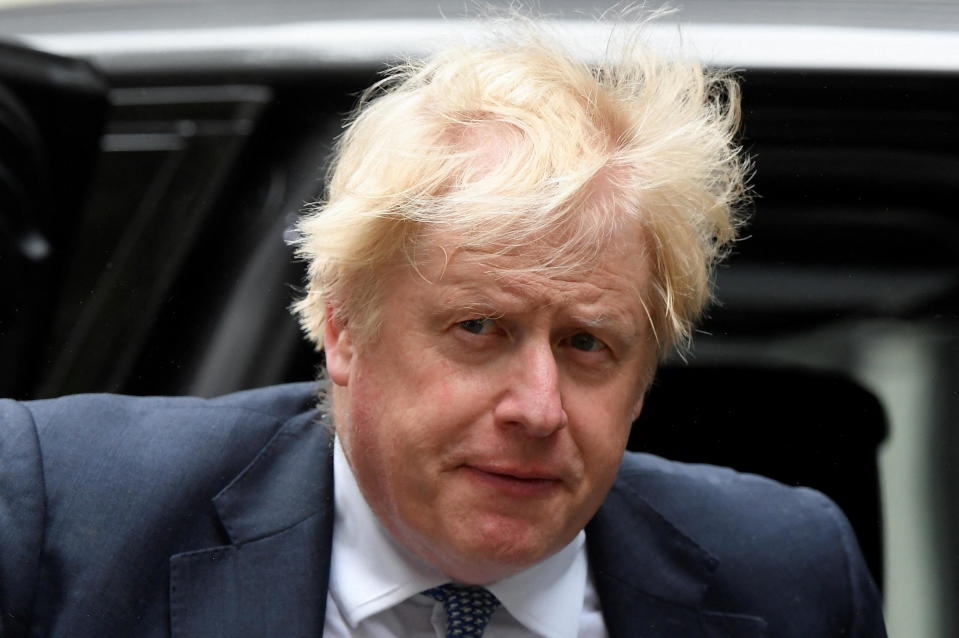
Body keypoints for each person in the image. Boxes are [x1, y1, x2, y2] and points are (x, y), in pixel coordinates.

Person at [0, 18, 886, 638]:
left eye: (587, 345)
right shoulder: (66, 515)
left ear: (643, 375)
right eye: (478, 327)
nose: (538, 409)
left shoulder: (787, 577)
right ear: (343, 328)